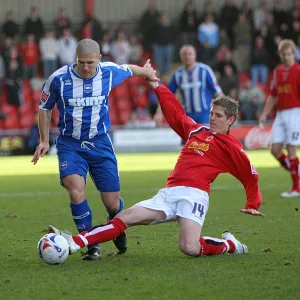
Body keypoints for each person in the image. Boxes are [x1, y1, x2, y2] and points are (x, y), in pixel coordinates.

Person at [49, 71, 264, 259]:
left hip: (194, 195)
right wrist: (158, 86)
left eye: (218, 116)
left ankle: (230, 244)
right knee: (124, 218)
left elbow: (249, 174)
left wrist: (253, 203)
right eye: (211, 114)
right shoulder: (196, 131)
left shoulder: (231, 146)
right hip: (168, 194)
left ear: (231, 120)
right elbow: (175, 113)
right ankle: (75, 242)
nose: (213, 119)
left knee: (189, 247)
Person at [31, 38, 159, 261]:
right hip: (70, 145)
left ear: (99, 59)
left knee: (112, 202)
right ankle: (91, 244)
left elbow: (130, 69)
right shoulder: (58, 79)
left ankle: (116, 224)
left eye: (91, 62)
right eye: (82, 63)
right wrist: (43, 140)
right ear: (75, 60)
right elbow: (44, 108)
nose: (87, 67)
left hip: (100, 143)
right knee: (75, 189)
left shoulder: (108, 72)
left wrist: (146, 71)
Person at [259, 39, 300, 198]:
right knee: (275, 150)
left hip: (295, 112)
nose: (287, 56)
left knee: (291, 148)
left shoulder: (298, 70)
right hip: (281, 114)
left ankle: (296, 187)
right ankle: (297, 172)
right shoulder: (278, 71)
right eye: (284, 54)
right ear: (280, 55)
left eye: (289, 53)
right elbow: (273, 95)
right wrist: (264, 113)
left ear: (293, 54)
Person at [166, 45, 222, 127]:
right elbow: (167, 95)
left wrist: (225, 110)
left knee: (204, 138)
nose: (187, 57)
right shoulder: (178, 74)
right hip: (187, 115)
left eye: (190, 54)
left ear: (195, 55)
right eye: (184, 54)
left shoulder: (205, 70)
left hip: (205, 114)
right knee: (188, 139)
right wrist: (159, 113)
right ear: (181, 56)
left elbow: (217, 92)